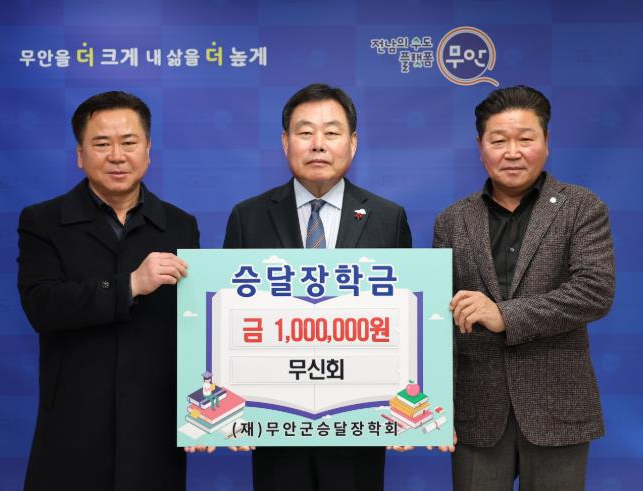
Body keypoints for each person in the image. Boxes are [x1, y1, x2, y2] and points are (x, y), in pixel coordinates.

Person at [224, 83, 412, 491]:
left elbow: (405, 323)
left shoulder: (388, 218)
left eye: (331, 132)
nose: (318, 144)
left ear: (353, 143)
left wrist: (408, 407)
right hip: (275, 421)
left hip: (358, 422)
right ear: (285, 142)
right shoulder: (247, 217)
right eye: (305, 132)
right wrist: (231, 408)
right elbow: (229, 322)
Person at [432, 85, 615, 490]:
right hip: (476, 411)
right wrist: (435, 405)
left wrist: (504, 315)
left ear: (546, 143)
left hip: (558, 407)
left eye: (525, 139)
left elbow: (594, 291)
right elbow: (437, 320)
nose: (512, 152)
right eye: (498, 141)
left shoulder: (582, 208)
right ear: (480, 147)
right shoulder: (452, 221)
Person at [18, 91, 200, 490]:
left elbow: (195, 326)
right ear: (80, 154)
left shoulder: (180, 225)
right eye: (102, 144)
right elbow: (42, 306)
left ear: (148, 150)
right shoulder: (43, 221)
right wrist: (130, 285)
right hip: (73, 426)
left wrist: (206, 410)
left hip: (153, 427)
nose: (117, 156)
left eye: (129, 142)